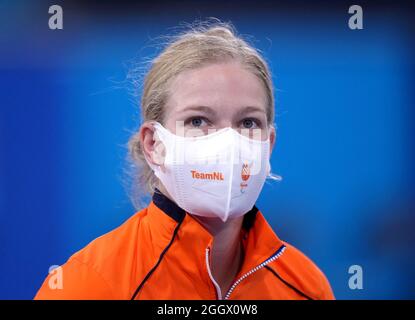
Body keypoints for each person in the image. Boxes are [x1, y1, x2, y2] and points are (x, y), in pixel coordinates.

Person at [35, 21, 334, 300]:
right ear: (154, 144)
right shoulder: (87, 286)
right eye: (198, 120)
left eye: (248, 123)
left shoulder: (305, 286)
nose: (227, 143)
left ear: (268, 145)